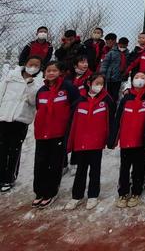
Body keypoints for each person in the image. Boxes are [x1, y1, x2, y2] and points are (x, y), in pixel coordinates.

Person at [32, 61, 79, 209]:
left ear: (60, 72)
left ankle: (51, 192)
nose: (51, 73)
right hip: (41, 132)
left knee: (54, 163)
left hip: (58, 132)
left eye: (54, 70)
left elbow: (75, 105)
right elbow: (39, 107)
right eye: (48, 71)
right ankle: (39, 192)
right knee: (40, 163)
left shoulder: (68, 88)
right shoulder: (41, 90)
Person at [65, 74, 114, 211]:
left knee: (95, 169)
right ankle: (76, 196)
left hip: (96, 141)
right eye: (96, 83)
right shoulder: (80, 101)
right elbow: (72, 122)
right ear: (89, 83)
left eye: (101, 84)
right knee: (81, 169)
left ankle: (93, 195)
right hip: (81, 141)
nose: (99, 86)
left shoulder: (107, 100)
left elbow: (111, 119)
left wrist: (109, 139)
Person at [109, 71, 145, 208]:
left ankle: (136, 191)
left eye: (142, 77)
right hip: (126, 138)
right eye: (137, 77)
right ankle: (123, 191)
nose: (139, 80)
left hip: (141, 139)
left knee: (139, 166)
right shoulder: (126, 99)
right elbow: (118, 119)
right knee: (125, 167)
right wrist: (114, 138)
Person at [0, 56, 43, 192]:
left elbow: (33, 101)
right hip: (4, 117)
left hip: (21, 120)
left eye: (37, 65)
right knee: (1, 149)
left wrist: (30, 85)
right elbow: (1, 92)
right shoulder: (11, 76)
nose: (33, 67)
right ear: (26, 64)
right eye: (31, 64)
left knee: (14, 150)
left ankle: (9, 178)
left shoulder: (39, 82)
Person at [100, 37, 130, 105]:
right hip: (109, 77)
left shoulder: (127, 54)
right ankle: (107, 105)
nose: (122, 47)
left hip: (119, 78)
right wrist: (103, 73)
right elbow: (105, 63)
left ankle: (114, 107)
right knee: (108, 94)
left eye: (124, 46)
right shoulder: (111, 53)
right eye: (121, 45)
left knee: (116, 96)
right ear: (118, 44)